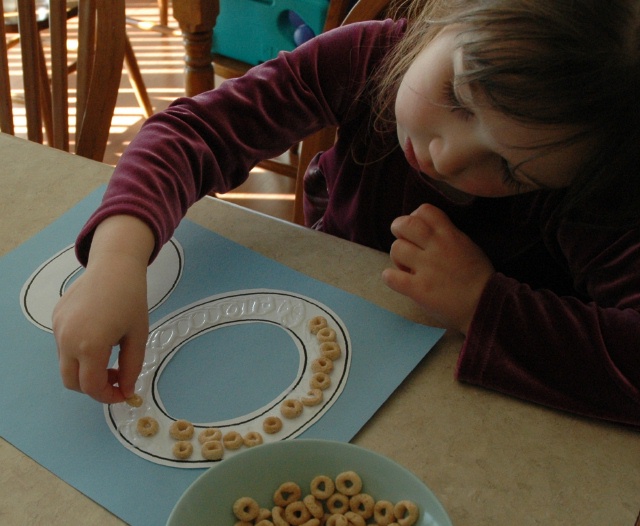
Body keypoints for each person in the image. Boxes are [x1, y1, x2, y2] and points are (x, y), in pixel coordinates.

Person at [52, 0, 640, 427]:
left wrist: (483, 302)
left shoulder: (598, 171)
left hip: (482, 415)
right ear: (445, 14)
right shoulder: (368, 55)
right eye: (458, 97)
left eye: (511, 170)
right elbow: (192, 131)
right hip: (315, 340)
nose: (447, 156)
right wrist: (118, 259)